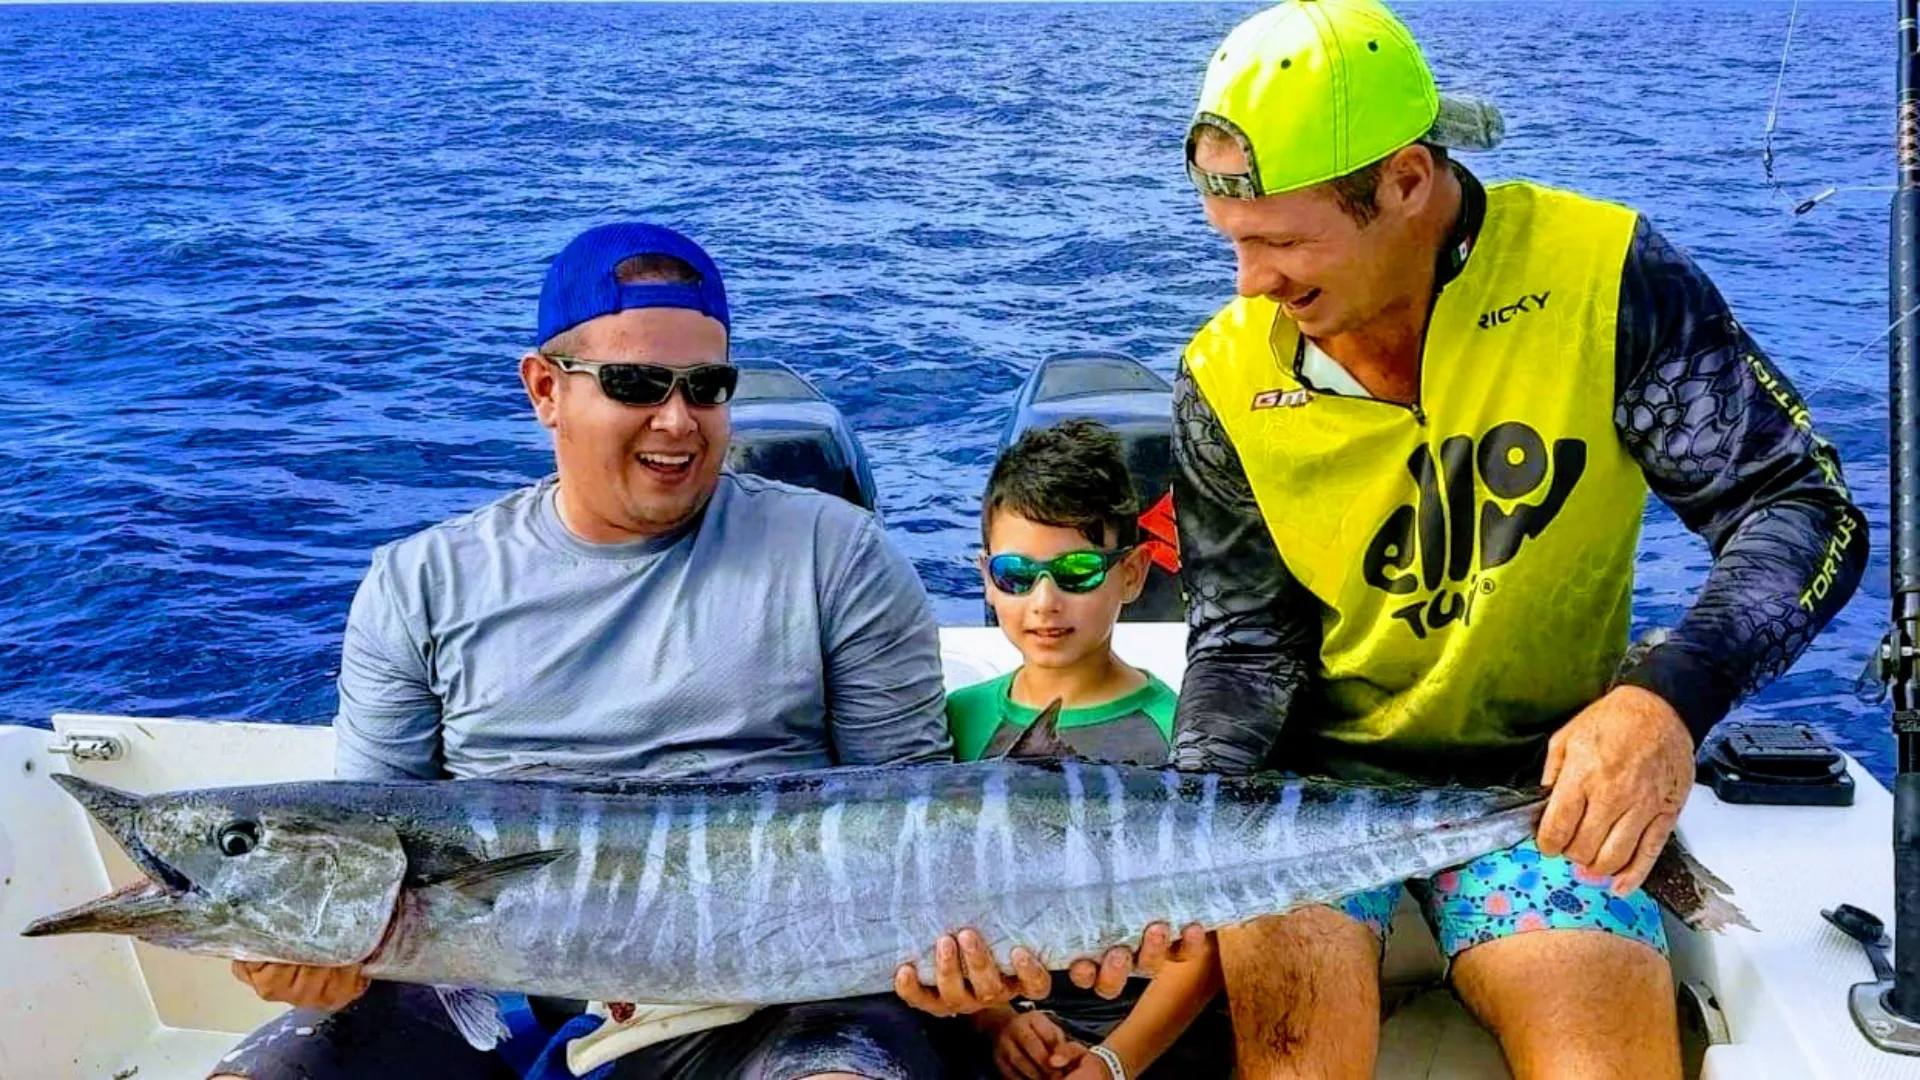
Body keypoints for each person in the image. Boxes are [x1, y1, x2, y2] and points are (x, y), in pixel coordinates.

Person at [1168, 1, 1869, 1077]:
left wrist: (1665, 700)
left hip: (1544, 789)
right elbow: (1242, 646)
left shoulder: (1604, 275)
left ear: (1405, 182)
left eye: (1282, 241)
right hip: (1305, 795)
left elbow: (1799, 507)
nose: (1251, 283)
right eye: (1234, 242)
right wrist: (1188, 832)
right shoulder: (1225, 372)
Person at [210, 222, 964, 1080]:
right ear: (544, 389)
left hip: (778, 990)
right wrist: (314, 957)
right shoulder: (418, 582)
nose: (677, 421)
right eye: (636, 383)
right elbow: (367, 840)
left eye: (708, 386)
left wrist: (980, 984)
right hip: (483, 999)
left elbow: (919, 828)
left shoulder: (840, 554)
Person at [946, 419, 1231, 1080]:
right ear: (986, 579)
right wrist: (997, 1021)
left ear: (1131, 574)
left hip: (1157, 1043)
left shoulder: (1180, 726)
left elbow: (1213, 937)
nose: (1045, 603)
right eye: (1018, 574)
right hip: (1003, 1037)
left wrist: (1113, 1060)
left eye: (1076, 571)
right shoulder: (954, 720)